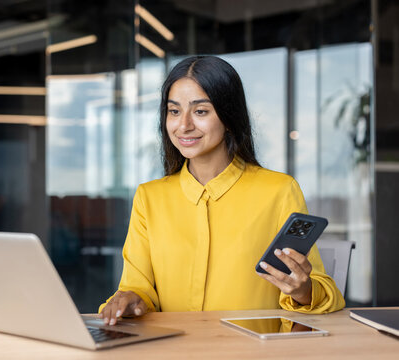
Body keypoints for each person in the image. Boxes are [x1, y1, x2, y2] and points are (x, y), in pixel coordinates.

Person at [99, 56, 345, 326]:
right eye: (174, 111)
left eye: (200, 111)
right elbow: (138, 288)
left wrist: (302, 290)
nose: (184, 125)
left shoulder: (279, 190)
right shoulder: (150, 197)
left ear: (229, 117)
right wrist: (131, 299)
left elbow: (324, 293)